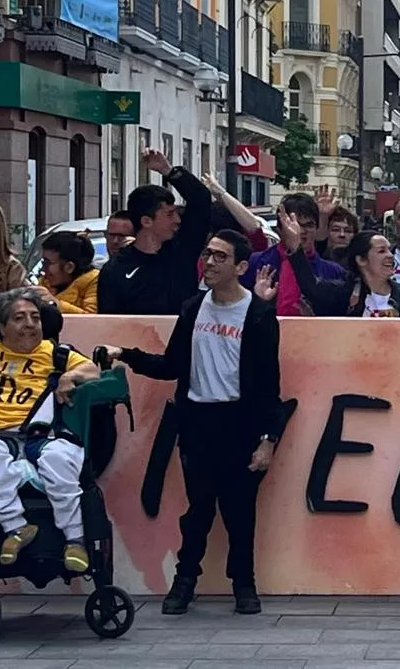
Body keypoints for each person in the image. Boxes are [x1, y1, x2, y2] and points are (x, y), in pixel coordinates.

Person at [107, 230, 281, 615]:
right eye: (208, 254)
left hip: (239, 422)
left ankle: (244, 585)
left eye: (221, 257)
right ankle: (185, 581)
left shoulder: (258, 315)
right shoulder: (193, 308)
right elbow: (172, 365)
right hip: (197, 419)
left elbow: (269, 383)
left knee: (239, 510)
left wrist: (268, 438)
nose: (211, 262)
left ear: (240, 267)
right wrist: (127, 354)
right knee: (199, 507)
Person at [0, 289, 101, 572]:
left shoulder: (58, 354)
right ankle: (16, 528)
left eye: (35, 318)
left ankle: (75, 540)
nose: (30, 323)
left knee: (59, 458)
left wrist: (68, 376)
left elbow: (93, 372)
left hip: (43, 434)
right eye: (19, 318)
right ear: (2, 327)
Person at [97, 150, 212, 315]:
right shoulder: (115, 269)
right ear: (146, 221)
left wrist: (168, 171)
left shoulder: (183, 249)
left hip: (182, 339)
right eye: (169, 214)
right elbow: (109, 322)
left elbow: (201, 199)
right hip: (136, 339)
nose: (177, 220)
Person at [284, 218, 400, 318]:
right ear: (361, 260)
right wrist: (296, 248)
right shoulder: (344, 293)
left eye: (389, 250)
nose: (390, 256)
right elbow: (311, 286)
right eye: (381, 251)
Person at [39, 230, 100, 314]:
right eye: (43, 262)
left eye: (47, 263)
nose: (43, 269)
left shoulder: (94, 281)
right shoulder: (45, 282)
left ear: (69, 267)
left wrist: (55, 304)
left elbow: (91, 319)